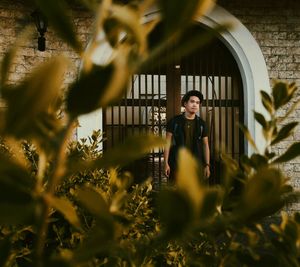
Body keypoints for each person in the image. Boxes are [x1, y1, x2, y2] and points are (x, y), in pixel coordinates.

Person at [164, 90, 210, 183]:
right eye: (192, 101)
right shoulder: (174, 122)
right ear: (185, 103)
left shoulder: (202, 124)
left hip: (195, 165)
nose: (195, 105)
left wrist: (207, 165)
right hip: (177, 164)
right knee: (177, 193)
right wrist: (165, 163)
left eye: (197, 103)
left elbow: (205, 145)